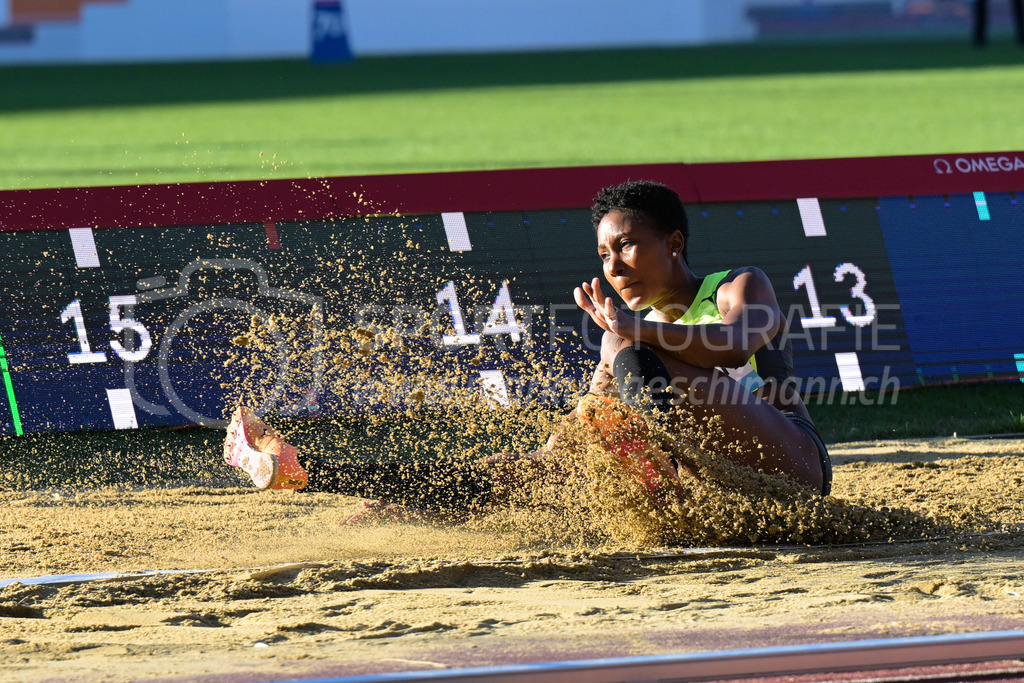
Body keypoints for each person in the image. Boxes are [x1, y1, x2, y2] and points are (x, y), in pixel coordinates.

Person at [223, 179, 831, 515]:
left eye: (627, 246)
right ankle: (310, 470)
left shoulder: (736, 285)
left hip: (790, 466)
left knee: (625, 349)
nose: (615, 266)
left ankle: (662, 479)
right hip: (712, 491)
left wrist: (634, 330)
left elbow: (732, 346)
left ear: (674, 243)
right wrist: (433, 495)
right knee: (528, 470)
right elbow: (581, 427)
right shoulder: (623, 337)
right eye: (603, 254)